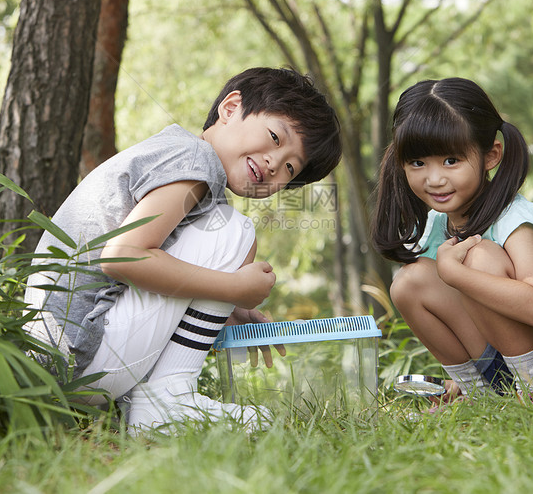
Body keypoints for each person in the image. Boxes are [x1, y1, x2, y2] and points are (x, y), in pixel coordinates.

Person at [25, 67, 342, 433]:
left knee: (227, 228)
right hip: (79, 355)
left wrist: (229, 308)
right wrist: (231, 288)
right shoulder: (195, 161)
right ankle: (165, 403)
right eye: (274, 136)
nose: (274, 163)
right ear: (231, 107)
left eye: (290, 166)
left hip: (57, 363)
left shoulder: (177, 154)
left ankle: (157, 403)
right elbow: (122, 256)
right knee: (235, 230)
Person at [371, 77, 533, 402]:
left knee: (477, 259)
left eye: (451, 161)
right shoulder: (438, 223)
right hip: (525, 348)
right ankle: (482, 398)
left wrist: (457, 275)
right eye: (417, 163)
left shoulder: (513, 217)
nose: (435, 178)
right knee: (409, 282)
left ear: (491, 156)